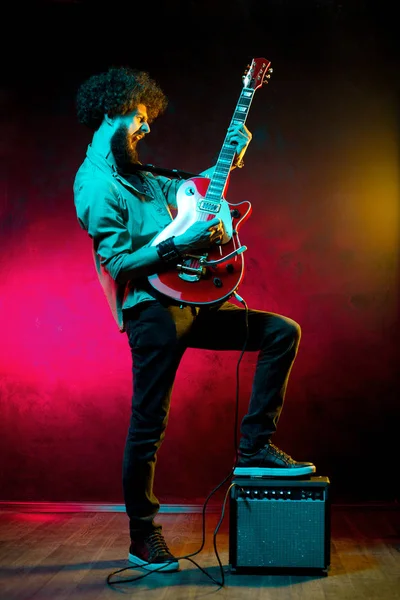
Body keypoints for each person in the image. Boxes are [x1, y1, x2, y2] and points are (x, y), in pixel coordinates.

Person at [73, 66, 316, 573]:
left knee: (281, 333)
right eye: (139, 117)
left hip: (196, 301)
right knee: (149, 424)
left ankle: (254, 447)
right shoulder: (94, 184)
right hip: (151, 312)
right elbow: (117, 262)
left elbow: (200, 189)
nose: (146, 127)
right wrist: (180, 246)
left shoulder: (144, 175)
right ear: (108, 112)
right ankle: (143, 536)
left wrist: (233, 148)